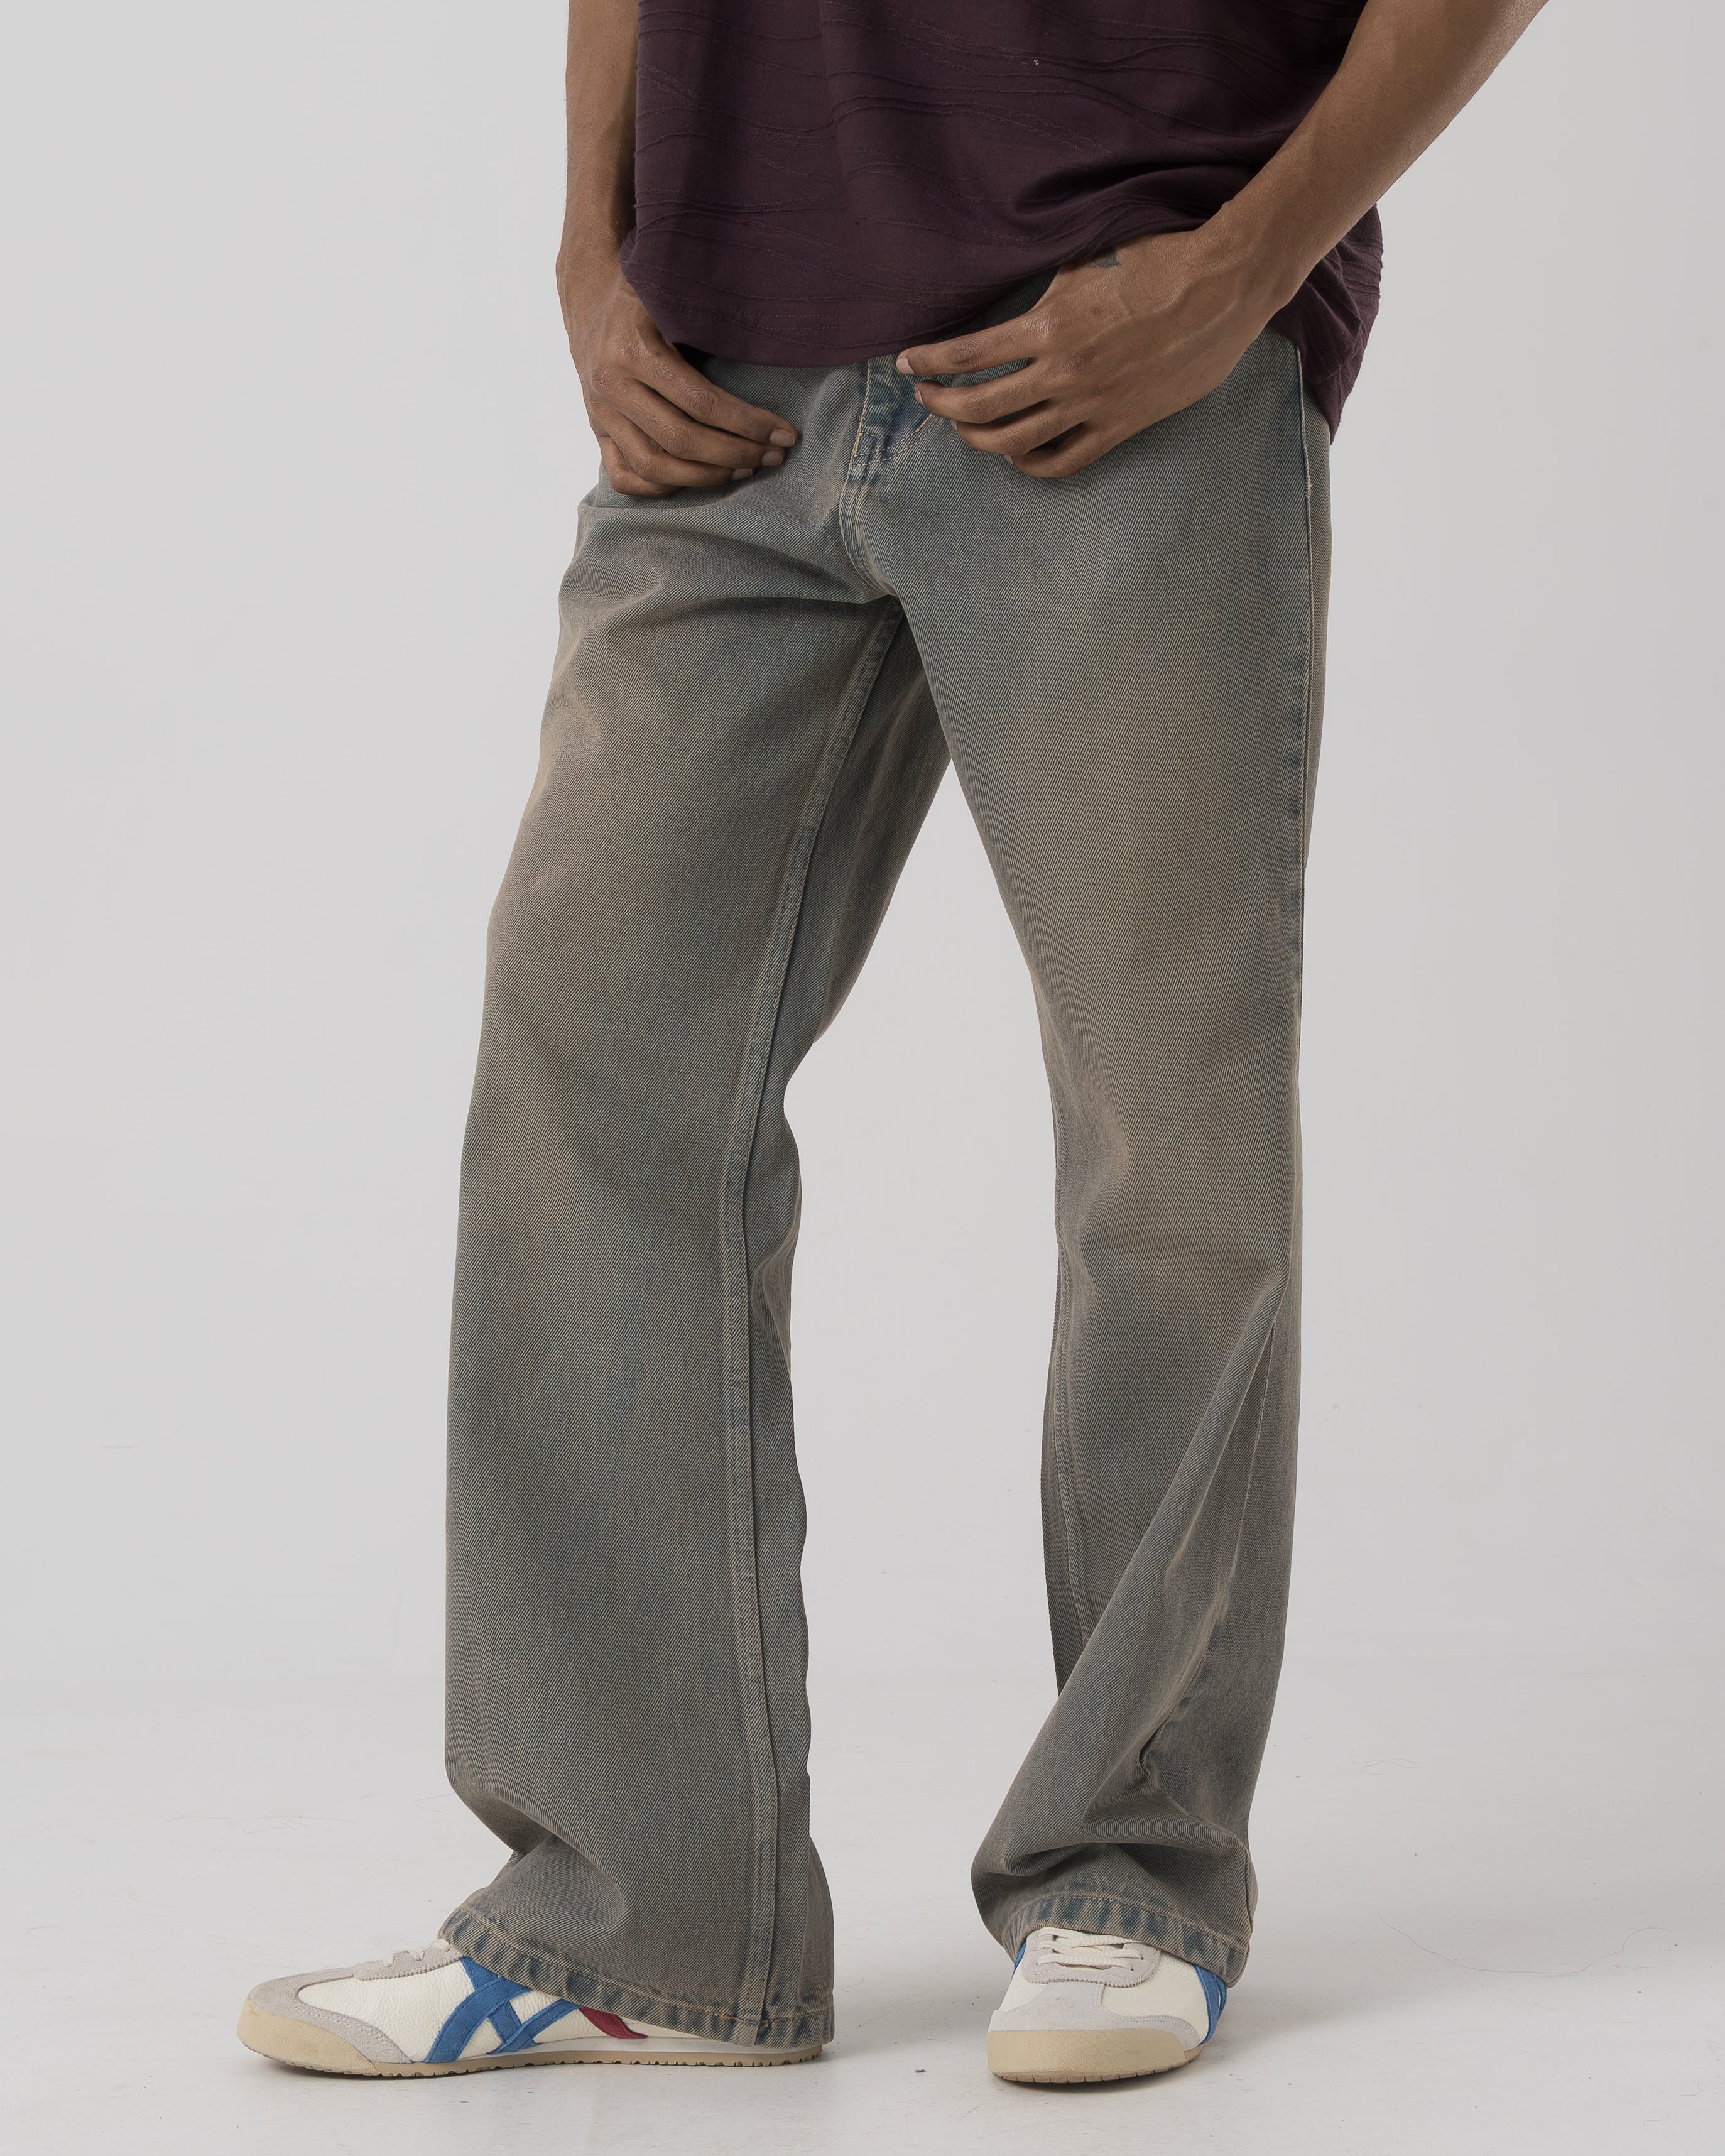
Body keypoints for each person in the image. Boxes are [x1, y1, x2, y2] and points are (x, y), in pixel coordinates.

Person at [239, 0, 1548, 2088]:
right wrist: (590, 250)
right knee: (589, 1079)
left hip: (1114, 337)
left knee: (1163, 1131)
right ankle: (644, 1916)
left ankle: (1130, 1873)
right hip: (720, 374)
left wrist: (1242, 267)